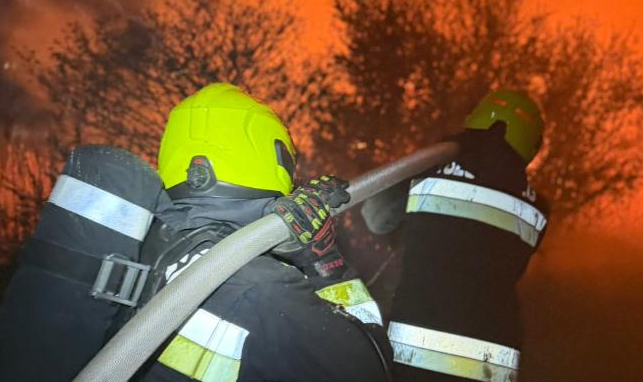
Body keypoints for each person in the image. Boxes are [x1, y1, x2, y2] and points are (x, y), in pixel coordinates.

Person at [135, 83, 392, 382]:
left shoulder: (139, 246)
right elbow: (374, 369)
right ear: (275, 159)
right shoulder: (266, 292)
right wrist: (325, 263)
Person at [361, 89, 548, 382]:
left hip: (415, 353)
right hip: (492, 364)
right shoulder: (539, 209)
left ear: (475, 119)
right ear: (531, 146)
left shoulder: (431, 166)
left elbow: (375, 216)